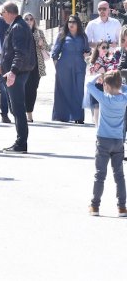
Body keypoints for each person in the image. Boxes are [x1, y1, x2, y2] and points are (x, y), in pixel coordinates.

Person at [86, 71, 127, 216]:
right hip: (118, 141)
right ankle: (122, 207)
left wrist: (99, 73)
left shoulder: (104, 99)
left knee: (100, 175)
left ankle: (95, 206)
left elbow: (89, 85)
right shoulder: (124, 99)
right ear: (119, 85)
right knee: (119, 175)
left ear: (106, 86)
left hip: (103, 140)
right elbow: (124, 88)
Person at [0, 1, 36, 153]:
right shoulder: (18, 25)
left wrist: (13, 71)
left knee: (18, 109)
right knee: (16, 108)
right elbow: (11, 53)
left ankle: (21, 143)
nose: (2, 17)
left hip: (18, 73)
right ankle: (20, 141)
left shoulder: (18, 26)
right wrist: (1, 67)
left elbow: (20, 53)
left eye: (2, 13)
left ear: (8, 12)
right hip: (16, 72)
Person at [51, 15, 89, 124]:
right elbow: (55, 53)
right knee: (64, 90)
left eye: (73, 22)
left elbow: (87, 50)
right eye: (69, 22)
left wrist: (88, 54)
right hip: (64, 67)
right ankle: (63, 116)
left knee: (78, 91)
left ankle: (78, 117)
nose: (71, 24)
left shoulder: (83, 36)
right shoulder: (62, 35)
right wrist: (57, 67)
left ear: (78, 24)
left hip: (79, 67)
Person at [23, 13, 49, 123]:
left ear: (34, 21)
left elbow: (47, 47)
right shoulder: (21, 32)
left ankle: (29, 113)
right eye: (26, 19)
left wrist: (41, 44)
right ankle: (22, 112)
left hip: (36, 66)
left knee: (32, 90)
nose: (29, 21)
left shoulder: (39, 32)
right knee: (23, 89)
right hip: (23, 66)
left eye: (31, 19)